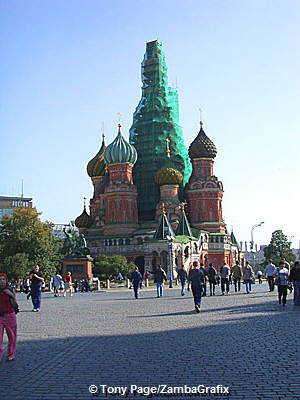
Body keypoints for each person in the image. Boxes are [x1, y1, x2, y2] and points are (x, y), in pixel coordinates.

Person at [0, 273, 19, 361]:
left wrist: (10, 294)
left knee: (12, 337)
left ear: (6, 280)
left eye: (3, 279)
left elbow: (14, 302)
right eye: (0, 279)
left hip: (10, 315)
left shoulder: (10, 290)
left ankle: (11, 353)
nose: (1, 281)